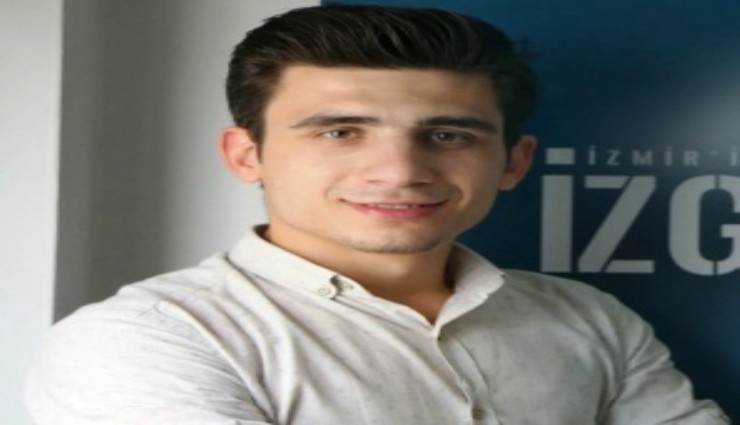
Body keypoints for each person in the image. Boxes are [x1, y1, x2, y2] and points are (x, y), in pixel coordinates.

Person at [25, 4, 729, 424]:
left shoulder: (590, 319)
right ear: (246, 154)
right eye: (340, 131)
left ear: (513, 161)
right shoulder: (149, 339)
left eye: (447, 134)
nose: (399, 170)